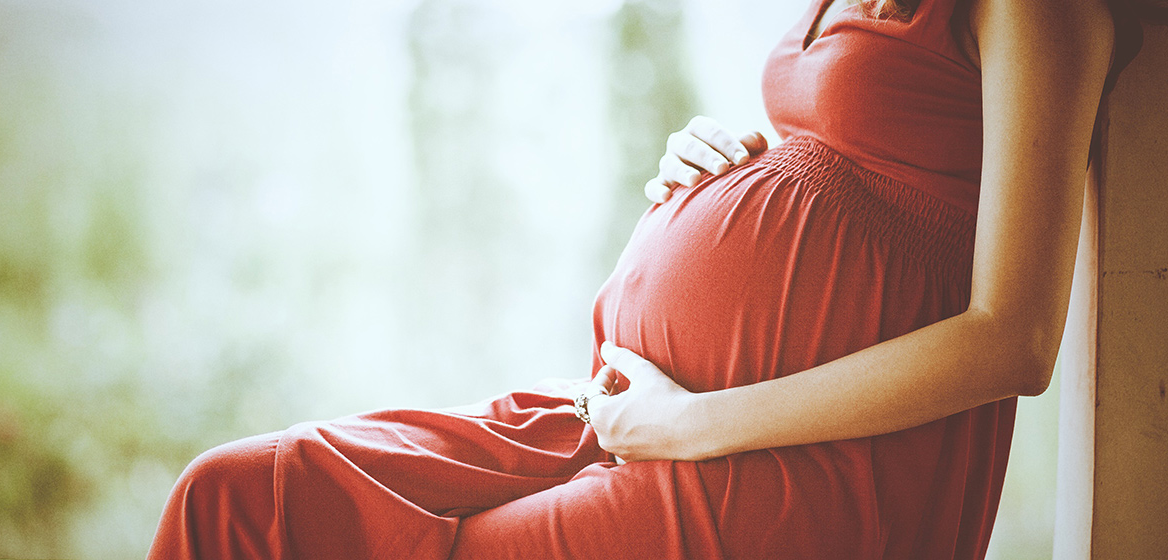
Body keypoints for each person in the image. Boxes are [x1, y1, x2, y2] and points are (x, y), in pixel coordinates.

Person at [148, 0, 1147, 558]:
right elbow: (866, 166)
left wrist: (691, 424)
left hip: (791, 472)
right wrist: (729, 156)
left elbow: (1010, 338)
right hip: (635, 417)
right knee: (241, 499)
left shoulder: (1034, 11)